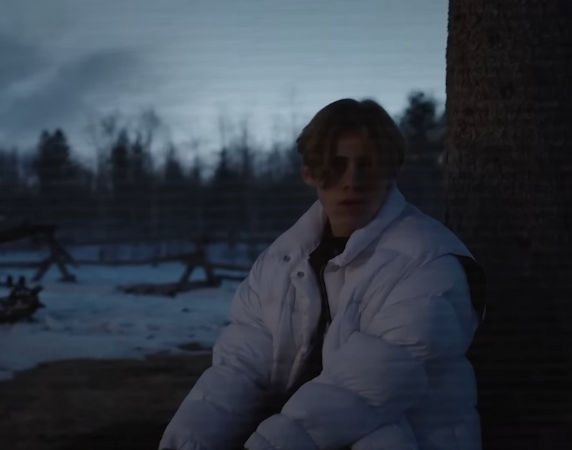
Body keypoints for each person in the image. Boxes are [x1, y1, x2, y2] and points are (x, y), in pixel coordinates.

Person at [158, 98, 486, 450]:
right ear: (310, 174)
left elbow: (365, 387)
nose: (352, 181)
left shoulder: (429, 262)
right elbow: (240, 367)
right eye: (335, 166)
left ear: (391, 171)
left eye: (368, 165)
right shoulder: (280, 261)